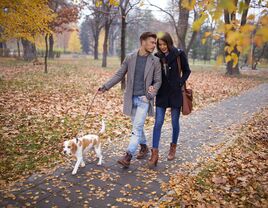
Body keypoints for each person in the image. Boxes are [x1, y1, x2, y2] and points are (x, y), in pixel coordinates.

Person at [98, 32, 162, 168]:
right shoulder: (130, 58)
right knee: (137, 127)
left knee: (137, 127)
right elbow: (119, 74)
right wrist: (105, 87)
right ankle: (144, 147)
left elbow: (158, 81)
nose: (154, 45)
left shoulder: (155, 61)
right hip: (131, 98)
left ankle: (128, 156)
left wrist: (150, 95)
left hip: (145, 99)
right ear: (142, 41)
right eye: (152, 42)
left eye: (155, 43)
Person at [148, 32, 191, 168]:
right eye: (159, 45)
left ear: (169, 43)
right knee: (158, 122)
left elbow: (187, 71)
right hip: (161, 94)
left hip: (175, 94)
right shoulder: (156, 57)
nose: (162, 47)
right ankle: (154, 153)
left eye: (164, 44)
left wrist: (180, 82)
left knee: (174, 122)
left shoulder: (179, 54)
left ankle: (173, 147)